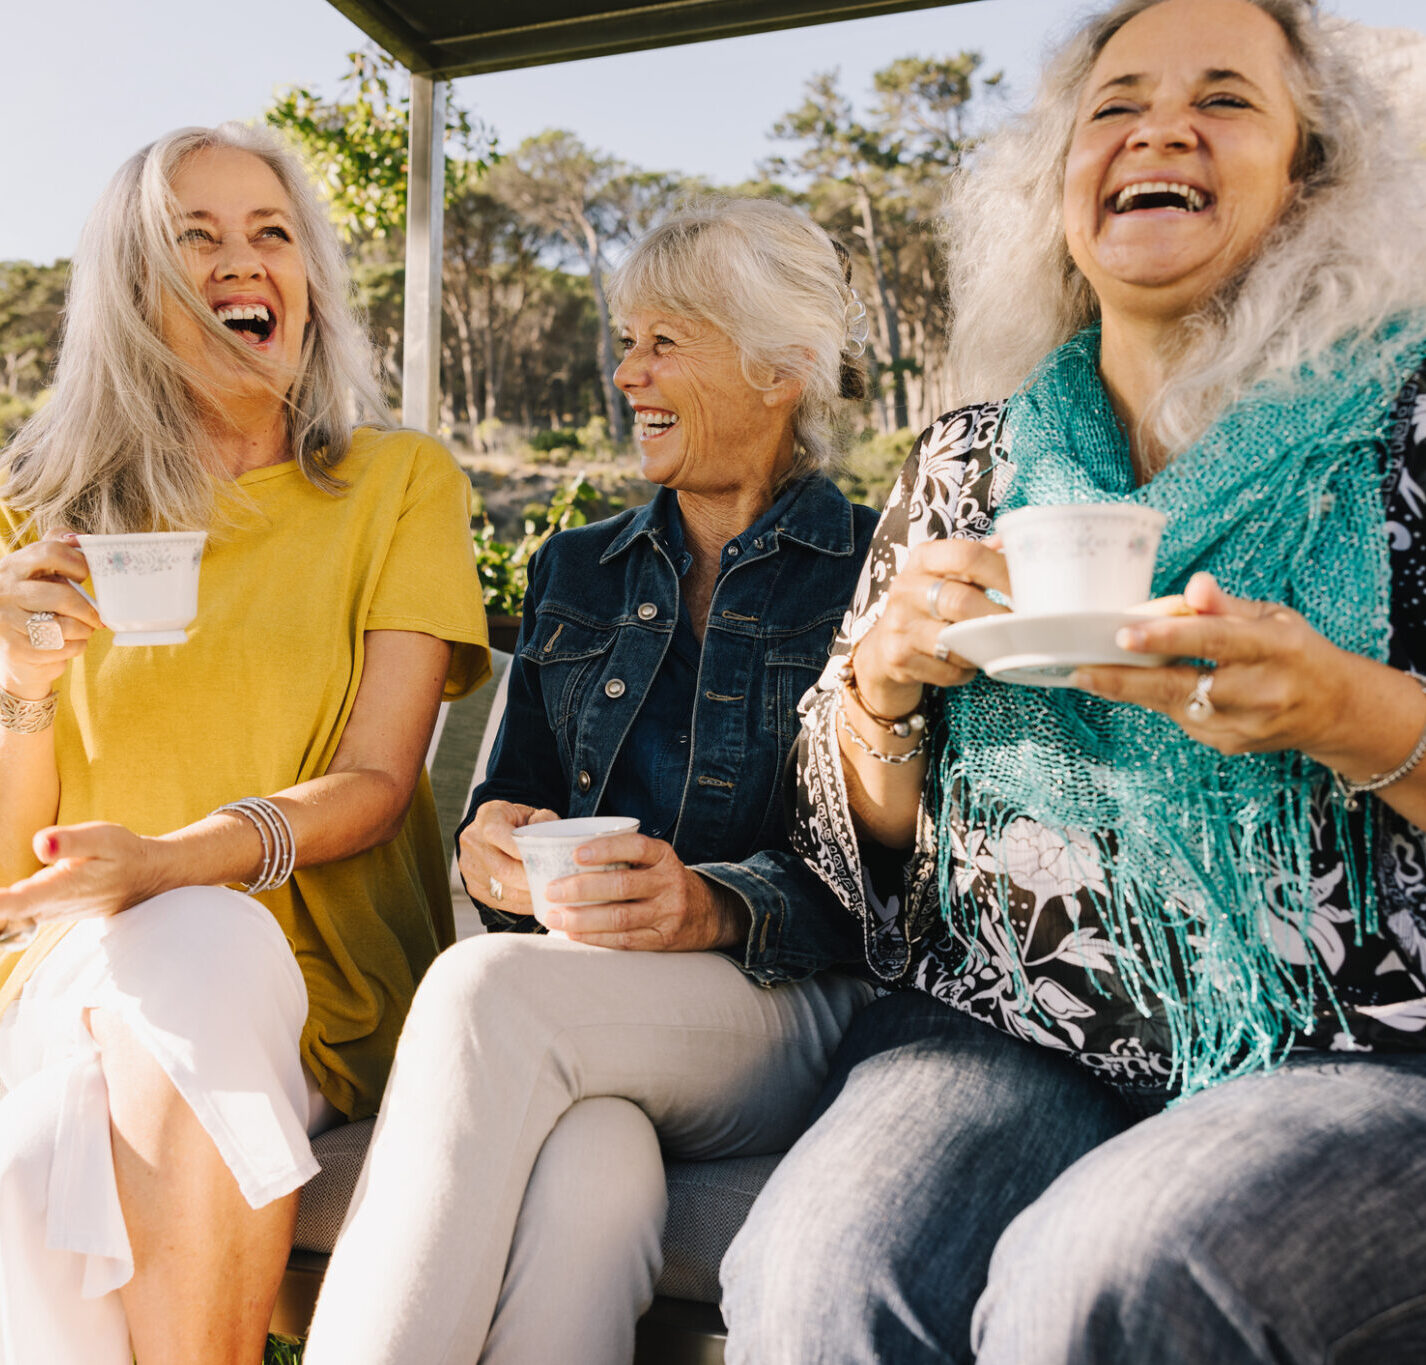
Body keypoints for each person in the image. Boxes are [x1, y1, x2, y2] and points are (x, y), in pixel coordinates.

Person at [720, 2, 1426, 1362]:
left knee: (1100, 1266)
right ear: (1058, 184)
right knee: (815, 1273)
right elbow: (849, 852)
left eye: (1224, 100)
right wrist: (879, 690)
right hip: (1011, 1016)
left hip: (1360, 1041)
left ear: (1309, 178)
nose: (1158, 127)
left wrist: (1349, 712)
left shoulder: (1401, 428)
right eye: (1114, 105)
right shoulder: (964, 465)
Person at [303, 198, 878, 1365]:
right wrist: (490, 847)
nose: (627, 373)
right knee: (593, 1174)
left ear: (781, 368)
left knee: (483, 992)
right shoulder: (574, 567)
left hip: (789, 1007)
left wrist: (711, 905)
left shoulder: (880, 570)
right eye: (625, 340)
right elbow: (503, 804)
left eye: (665, 341)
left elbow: (896, 877)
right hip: (598, 1012)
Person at [0, 124, 488, 1364]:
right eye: (194, 238)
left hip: (323, 991)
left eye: (272, 234)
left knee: (166, 986)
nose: (242, 263)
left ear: (310, 282)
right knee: (117, 1040)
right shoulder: (35, 525)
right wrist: (22, 682)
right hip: (77, 977)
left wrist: (170, 863)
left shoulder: (394, 486)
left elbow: (380, 784)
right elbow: (17, 875)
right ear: (130, 288)